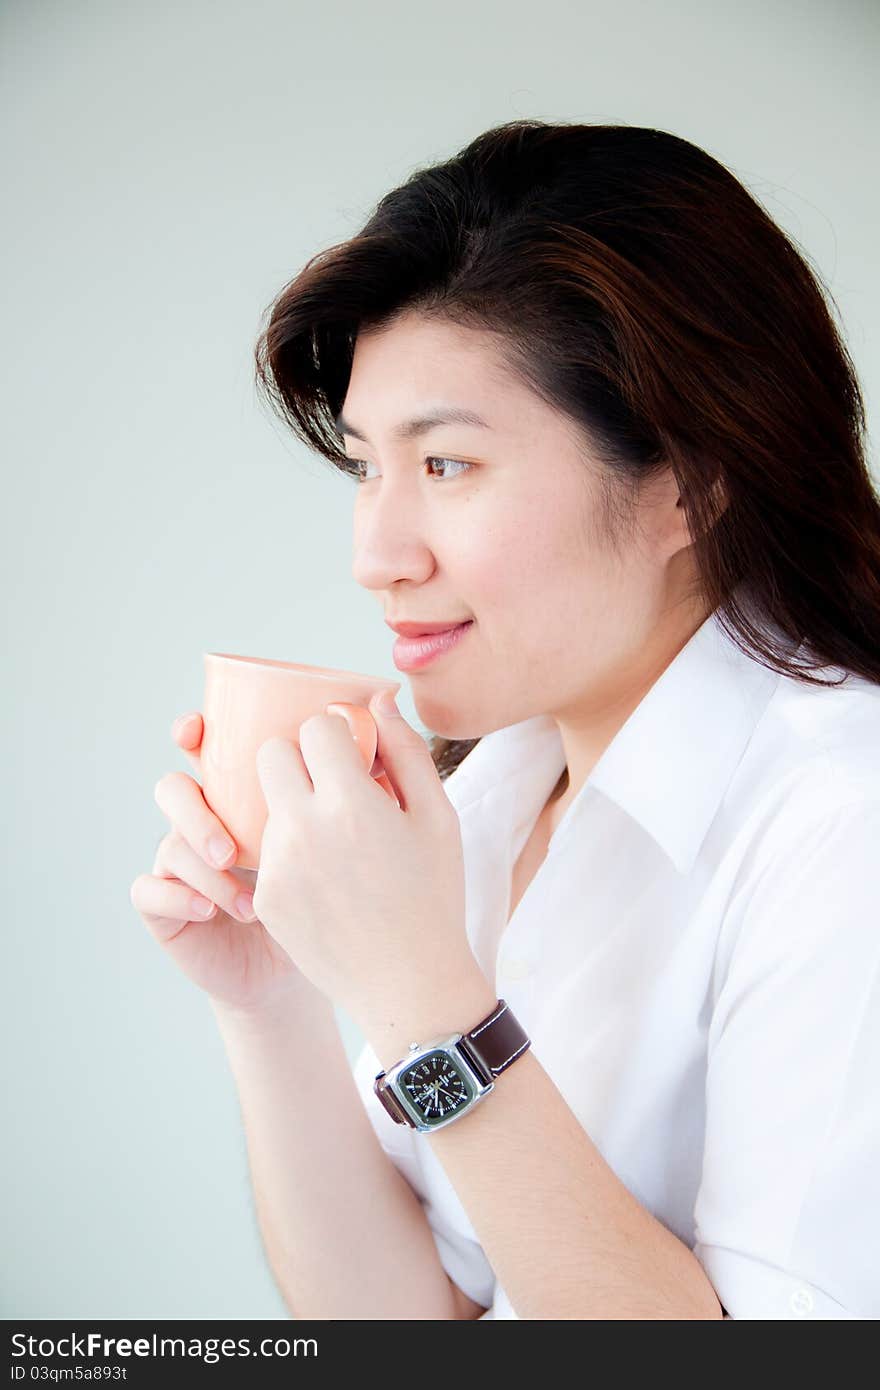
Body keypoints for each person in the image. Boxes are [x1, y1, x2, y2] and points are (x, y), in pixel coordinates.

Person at [132, 119, 880, 1319]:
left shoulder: (844, 821)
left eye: (447, 467)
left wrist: (429, 996)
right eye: (368, 466)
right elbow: (416, 1315)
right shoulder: (488, 790)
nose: (375, 556)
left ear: (688, 479)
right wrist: (269, 996)